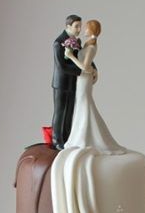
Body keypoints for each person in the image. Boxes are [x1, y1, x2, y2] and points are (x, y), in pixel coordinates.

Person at [63, 20, 124, 153]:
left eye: (86, 28)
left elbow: (84, 67)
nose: (83, 30)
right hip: (82, 78)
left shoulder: (91, 47)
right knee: (82, 104)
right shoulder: (88, 44)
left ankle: (87, 138)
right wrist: (94, 69)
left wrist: (70, 56)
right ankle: (79, 136)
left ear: (91, 30)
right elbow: (89, 65)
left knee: (85, 104)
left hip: (84, 79)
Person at [51, 14, 82, 150]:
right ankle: (57, 139)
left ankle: (67, 137)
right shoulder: (58, 42)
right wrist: (81, 71)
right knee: (60, 111)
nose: (79, 29)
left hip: (72, 82)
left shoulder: (77, 41)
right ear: (68, 26)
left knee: (70, 111)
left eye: (80, 26)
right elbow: (61, 66)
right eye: (76, 26)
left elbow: (82, 57)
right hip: (61, 83)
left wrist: (93, 68)